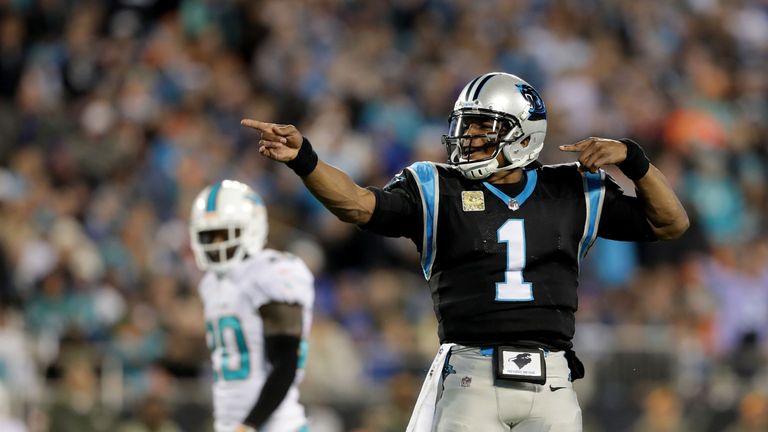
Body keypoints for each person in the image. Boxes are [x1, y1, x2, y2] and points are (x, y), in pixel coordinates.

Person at [241, 72, 689, 431]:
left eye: (482, 126)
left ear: (523, 134)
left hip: (553, 380)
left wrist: (634, 160)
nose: (468, 136)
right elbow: (359, 205)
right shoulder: (439, 187)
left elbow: (671, 222)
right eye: (466, 124)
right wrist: (305, 160)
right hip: (470, 376)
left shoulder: (573, 188)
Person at [189, 180, 314, 432]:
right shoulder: (211, 284)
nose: (215, 243)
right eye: (208, 235)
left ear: (251, 229)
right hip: (231, 424)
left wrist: (250, 423)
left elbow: (285, 361)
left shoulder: (269, 273)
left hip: (277, 426)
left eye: (224, 233)